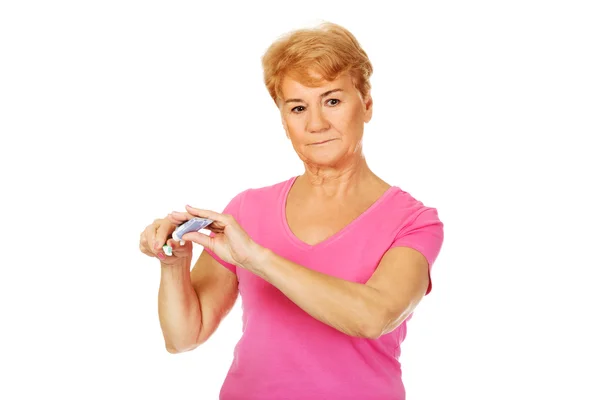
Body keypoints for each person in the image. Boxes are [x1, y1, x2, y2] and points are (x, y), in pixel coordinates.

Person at [139, 21, 444, 400]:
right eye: (298, 107)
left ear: (366, 105)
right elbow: (183, 338)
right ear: (284, 121)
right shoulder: (247, 209)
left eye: (332, 100)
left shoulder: (413, 220)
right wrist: (173, 264)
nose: (316, 124)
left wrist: (258, 258)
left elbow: (373, 317)